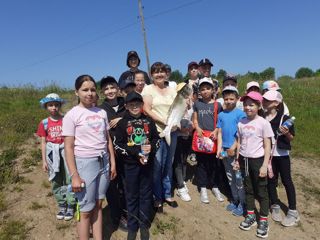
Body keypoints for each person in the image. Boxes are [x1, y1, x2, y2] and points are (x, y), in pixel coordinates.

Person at [63, 75, 117, 240]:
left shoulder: (101, 112)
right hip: (85, 164)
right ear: (76, 92)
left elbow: (107, 139)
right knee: (85, 210)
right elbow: (68, 147)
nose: (90, 93)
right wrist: (74, 175)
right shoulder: (72, 115)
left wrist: (113, 163)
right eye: (85, 89)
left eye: (92, 89)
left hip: (104, 162)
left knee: (99, 205)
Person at [113, 91, 160, 240]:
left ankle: (144, 224)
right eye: (131, 104)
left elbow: (156, 139)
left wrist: (151, 148)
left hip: (147, 165)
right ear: (126, 106)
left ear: (142, 105)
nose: (134, 107)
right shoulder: (122, 123)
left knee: (146, 195)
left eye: (137, 104)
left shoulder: (148, 121)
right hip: (130, 166)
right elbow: (117, 145)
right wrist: (135, 153)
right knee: (132, 196)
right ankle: (133, 226)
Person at [235, 91, 274, 239]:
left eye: (251, 104)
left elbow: (267, 145)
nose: (248, 107)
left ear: (258, 106)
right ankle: (250, 215)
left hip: (258, 161)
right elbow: (239, 142)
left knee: (262, 191)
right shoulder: (241, 122)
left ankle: (263, 219)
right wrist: (237, 160)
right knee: (248, 189)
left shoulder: (264, 123)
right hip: (244, 160)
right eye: (245, 104)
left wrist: (264, 165)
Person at [141, 62, 178, 210]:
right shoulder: (148, 89)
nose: (159, 74)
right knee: (157, 165)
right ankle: (157, 196)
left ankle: (167, 193)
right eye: (156, 72)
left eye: (162, 71)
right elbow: (147, 109)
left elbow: (178, 108)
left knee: (169, 163)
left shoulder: (172, 90)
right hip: (156, 132)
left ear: (166, 74)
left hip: (172, 132)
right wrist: (163, 121)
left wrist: (175, 122)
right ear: (151, 75)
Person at [262, 90, 300, 227]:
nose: (264, 102)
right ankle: (275, 205)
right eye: (264, 99)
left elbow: (291, 138)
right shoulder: (262, 116)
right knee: (271, 180)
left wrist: (287, 132)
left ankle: (293, 211)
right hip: (268, 155)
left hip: (282, 155)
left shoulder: (285, 118)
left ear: (276, 103)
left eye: (267, 100)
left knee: (286, 181)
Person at [36, 93, 76, 221]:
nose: (53, 108)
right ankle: (61, 204)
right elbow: (43, 142)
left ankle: (71, 204)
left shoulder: (66, 120)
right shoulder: (44, 123)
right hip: (52, 154)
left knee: (69, 178)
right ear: (46, 107)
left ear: (60, 106)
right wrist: (44, 161)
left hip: (66, 152)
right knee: (56, 179)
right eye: (50, 105)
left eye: (56, 105)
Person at [98, 76, 128, 231]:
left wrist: (121, 118)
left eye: (112, 87)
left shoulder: (127, 103)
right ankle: (117, 217)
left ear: (117, 88)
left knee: (127, 185)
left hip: (129, 152)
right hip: (111, 154)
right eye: (106, 88)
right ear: (102, 91)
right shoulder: (100, 109)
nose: (110, 91)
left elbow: (140, 114)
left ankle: (128, 211)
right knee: (113, 188)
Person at [193, 77, 224, 203]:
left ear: (213, 90)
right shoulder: (197, 104)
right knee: (201, 163)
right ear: (199, 91)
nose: (205, 91)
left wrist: (216, 131)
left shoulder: (218, 104)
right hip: (201, 137)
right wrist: (197, 127)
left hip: (213, 138)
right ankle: (203, 187)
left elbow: (219, 121)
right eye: (202, 89)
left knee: (214, 163)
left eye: (208, 88)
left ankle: (215, 186)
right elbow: (194, 119)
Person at [217, 86, 246, 216]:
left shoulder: (241, 114)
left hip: (236, 153)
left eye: (231, 99)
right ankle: (234, 199)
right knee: (230, 177)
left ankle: (242, 203)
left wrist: (233, 148)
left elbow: (241, 134)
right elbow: (220, 132)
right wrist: (219, 149)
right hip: (224, 151)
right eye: (226, 99)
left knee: (239, 178)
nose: (229, 101)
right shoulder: (221, 115)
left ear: (237, 99)